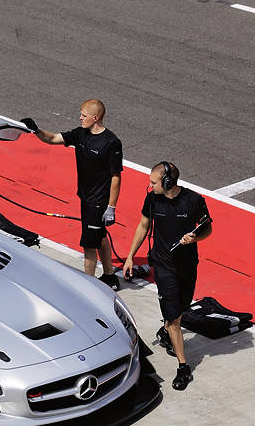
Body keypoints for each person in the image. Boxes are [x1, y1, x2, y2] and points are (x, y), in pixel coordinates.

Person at [123, 162, 212, 391]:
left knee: (181, 308)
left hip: (188, 265)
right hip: (163, 266)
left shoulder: (193, 200)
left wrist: (195, 238)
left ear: (168, 182)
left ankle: (165, 333)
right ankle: (183, 367)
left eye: (154, 182)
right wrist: (130, 256)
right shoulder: (152, 199)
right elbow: (143, 226)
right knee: (173, 319)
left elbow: (207, 228)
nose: (150, 185)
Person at [22, 99, 122, 290]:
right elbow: (52, 138)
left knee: (89, 244)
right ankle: (110, 276)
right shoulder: (80, 134)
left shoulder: (111, 142)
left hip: (98, 201)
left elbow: (116, 177)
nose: (80, 118)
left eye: (84, 115)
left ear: (95, 118)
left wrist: (111, 207)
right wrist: (36, 130)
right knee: (99, 236)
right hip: (85, 196)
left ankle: (89, 286)